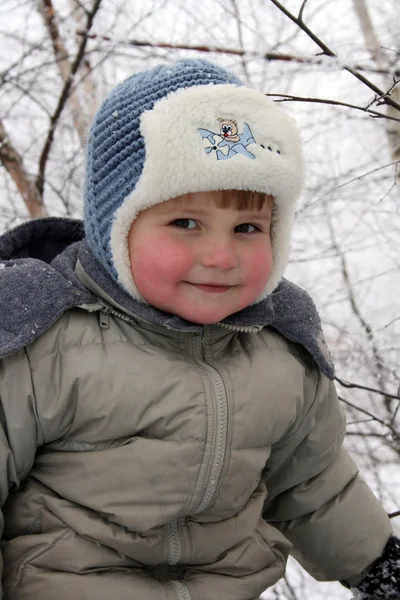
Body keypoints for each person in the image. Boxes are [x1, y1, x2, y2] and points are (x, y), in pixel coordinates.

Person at [0, 59, 398, 600]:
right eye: (185, 223)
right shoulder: (42, 340)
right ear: (115, 225)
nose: (220, 256)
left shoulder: (280, 349)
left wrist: (380, 567)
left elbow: (313, 484)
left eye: (248, 228)